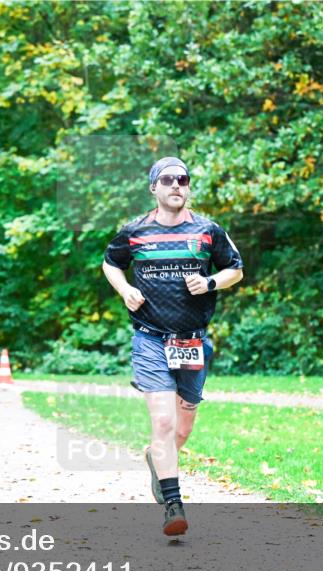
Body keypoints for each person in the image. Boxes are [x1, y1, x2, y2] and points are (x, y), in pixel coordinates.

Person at [102, 157, 244, 536]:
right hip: (149, 337)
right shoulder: (134, 232)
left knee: (181, 428)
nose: (176, 185)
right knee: (163, 422)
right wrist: (126, 289)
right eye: (167, 180)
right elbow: (110, 263)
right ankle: (173, 505)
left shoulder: (208, 230)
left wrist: (211, 283)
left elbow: (236, 268)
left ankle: (156, 458)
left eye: (183, 179)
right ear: (154, 188)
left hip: (193, 341)